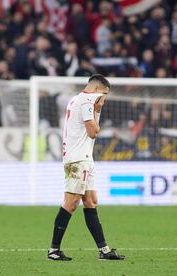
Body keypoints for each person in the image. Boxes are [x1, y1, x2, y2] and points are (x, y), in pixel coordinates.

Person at [47, 74, 125, 261]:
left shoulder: (76, 99)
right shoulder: (86, 101)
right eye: (104, 94)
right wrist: (97, 112)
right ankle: (53, 250)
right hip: (77, 159)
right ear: (97, 90)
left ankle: (104, 251)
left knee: (91, 201)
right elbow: (93, 132)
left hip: (85, 158)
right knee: (71, 203)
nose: (104, 100)